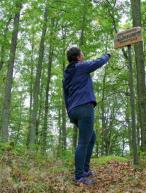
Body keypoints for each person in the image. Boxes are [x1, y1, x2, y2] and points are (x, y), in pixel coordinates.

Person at [62, 47, 111, 185]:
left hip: (73, 110)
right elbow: (97, 62)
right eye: (82, 53)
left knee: (92, 136)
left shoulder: (66, 75)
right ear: (78, 57)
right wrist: (107, 55)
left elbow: (66, 96)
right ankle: (79, 176)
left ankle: (84, 169)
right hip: (84, 107)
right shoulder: (80, 67)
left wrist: (70, 113)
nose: (83, 54)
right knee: (83, 142)